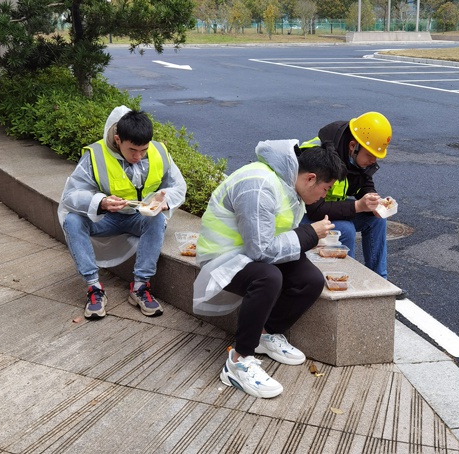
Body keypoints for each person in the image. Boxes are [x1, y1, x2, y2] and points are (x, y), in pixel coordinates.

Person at [192, 139, 347, 399]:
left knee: (309, 279)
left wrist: (308, 235)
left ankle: (266, 334)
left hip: (251, 252)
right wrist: (309, 233)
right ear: (310, 178)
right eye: (326, 188)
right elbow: (260, 251)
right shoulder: (260, 185)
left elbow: (271, 241)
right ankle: (238, 361)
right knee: (268, 277)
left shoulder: (287, 184)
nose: (325, 196)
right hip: (223, 257)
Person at [58, 106, 187, 320]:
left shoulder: (159, 152)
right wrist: (102, 202)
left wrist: (164, 201)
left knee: (156, 220)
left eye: (143, 150)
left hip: (139, 217)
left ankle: (140, 288)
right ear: (118, 140)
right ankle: (94, 288)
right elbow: (71, 195)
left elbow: (178, 187)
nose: (138, 156)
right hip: (105, 218)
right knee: (72, 221)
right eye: (132, 150)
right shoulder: (96, 155)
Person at [298, 111, 407, 300]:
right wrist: (357, 206)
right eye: (370, 155)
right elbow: (314, 208)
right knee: (346, 229)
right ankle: (348, 285)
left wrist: (373, 202)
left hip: (329, 210)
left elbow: (364, 181)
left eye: (376, 157)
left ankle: (379, 280)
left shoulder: (356, 155)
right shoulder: (321, 155)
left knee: (376, 220)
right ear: (352, 146)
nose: (373, 160)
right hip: (304, 213)